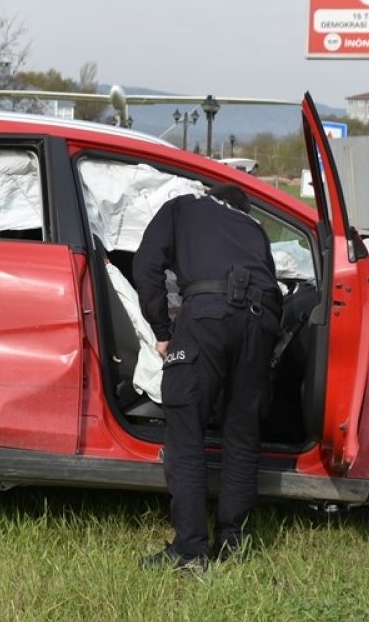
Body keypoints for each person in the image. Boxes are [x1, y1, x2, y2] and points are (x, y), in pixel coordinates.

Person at [132, 183, 282, 569]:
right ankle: (234, 542)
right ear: (243, 209)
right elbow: (273, 286)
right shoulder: (255, 230)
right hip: (261, 322)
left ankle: (190, 550)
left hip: (207, 315)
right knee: (242, 434)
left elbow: (147, 263)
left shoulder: (184, 206)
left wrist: (163, 331)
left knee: (186, 432)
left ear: (209, 194)